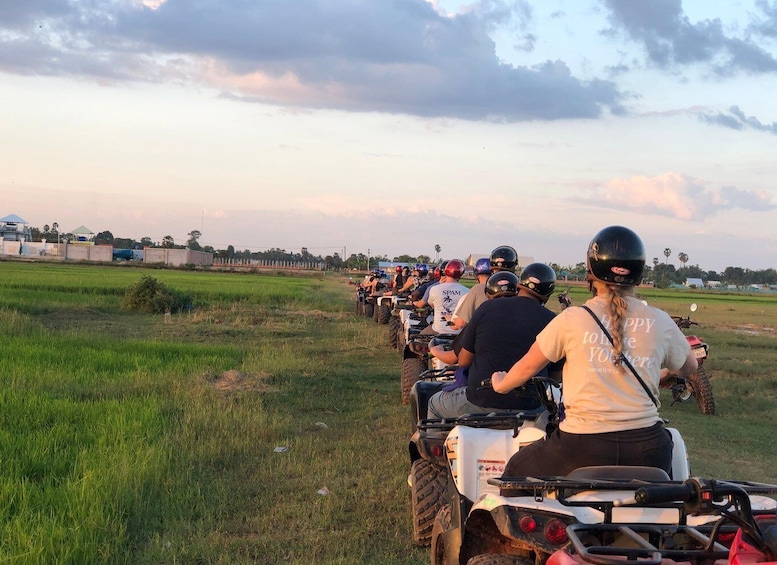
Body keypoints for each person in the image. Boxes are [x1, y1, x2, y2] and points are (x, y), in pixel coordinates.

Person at [492, 226, 698, 477]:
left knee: (514, 471)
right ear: (639, 274)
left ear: (590, 272)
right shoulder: (661, 321)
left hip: (581, 447)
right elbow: (690, 367)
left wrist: (501, 384)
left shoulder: (571, 319)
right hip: (648, 448)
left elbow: (525, 368)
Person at [427, 268, 561, 418]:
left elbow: (464, 361)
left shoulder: (487, 308)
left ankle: (435, 441)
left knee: (433, 404)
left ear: (518, 286)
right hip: (531, 407)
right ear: (548, 294)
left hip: (480, 401)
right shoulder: (553, 321)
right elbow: (555, 377)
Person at [450, 246, 519, 330]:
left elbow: (460, 324)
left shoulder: (478, 289)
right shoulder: (522, 291)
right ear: (514, 265)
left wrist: (449, 321)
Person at [414, 259, 468, 335]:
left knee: (419, 338)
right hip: (459, 332)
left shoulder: (434, 289)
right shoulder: (467, 291)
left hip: (438, 329)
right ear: (461, 273)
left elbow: (431, 304)